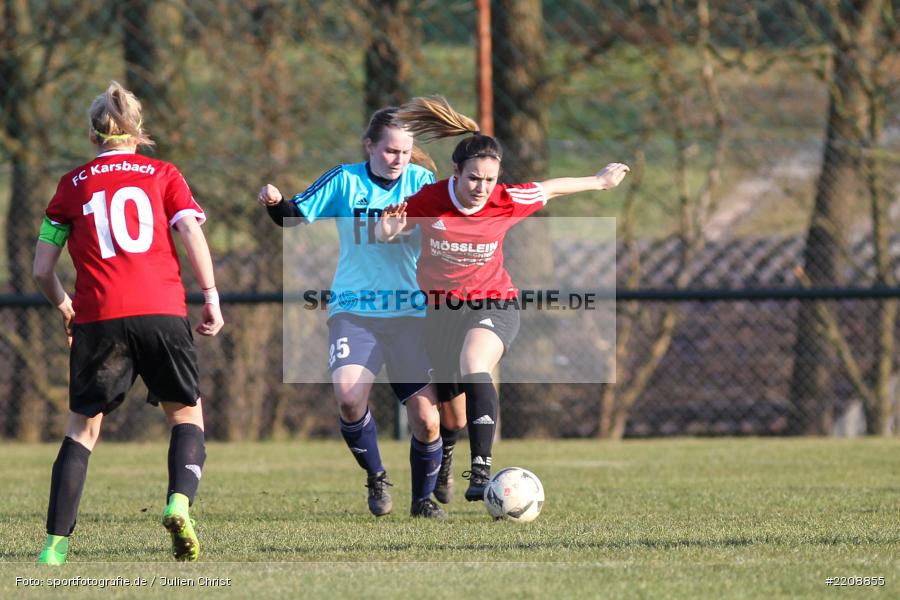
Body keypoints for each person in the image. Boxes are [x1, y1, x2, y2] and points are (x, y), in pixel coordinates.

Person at [379, 96, 629, 501]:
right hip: (442, 310)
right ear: (457, 172)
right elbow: (387, 232)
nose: (481, 188)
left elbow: (549, 189)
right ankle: (446, 460)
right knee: (452, 416)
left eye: (489, 180)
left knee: (475, 363)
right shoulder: (429, 200)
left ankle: (481, 473)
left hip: (494, 302)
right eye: (474, 178)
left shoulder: (506, 200)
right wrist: (387, 231)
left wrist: (598, 182)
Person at [32, 82, 224, 564]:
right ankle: (179, 503)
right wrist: (211, 295)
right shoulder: (164, 174)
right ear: (138, 133)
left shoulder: (71, 186)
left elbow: (40, 269)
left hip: (98, 316)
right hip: (161, 309)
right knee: (185, 414)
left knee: (82, 429)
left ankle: (55, 548)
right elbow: (189, 232)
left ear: (94, 137)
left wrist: (63, 305)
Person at [256, 107, 447, 519]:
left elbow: (440, 229)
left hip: (410, 312)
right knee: (347, 397)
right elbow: (292, 216)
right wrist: (274, 203)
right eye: (391, 151)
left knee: (428, 420)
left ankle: (422, 501)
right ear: (370, 146)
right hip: (354, 309)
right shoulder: (345, 180)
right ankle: (376, 476)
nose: (398, 159)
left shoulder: (421, 182)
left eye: (405, 152)